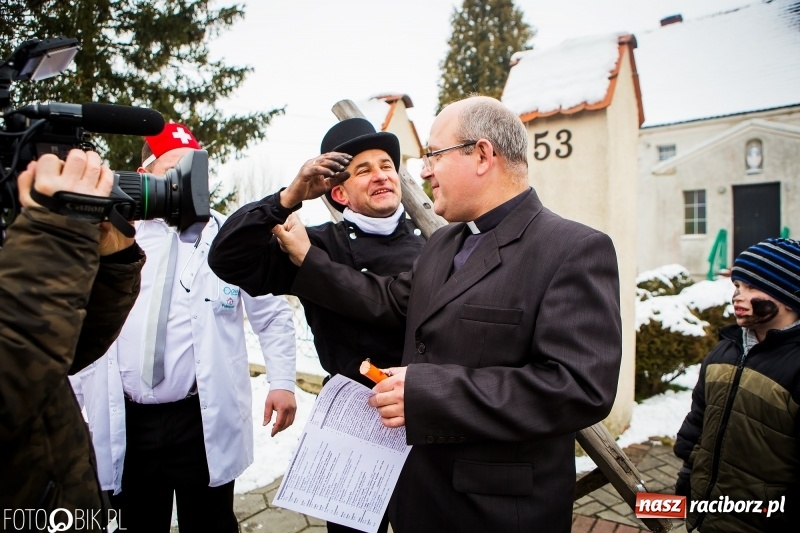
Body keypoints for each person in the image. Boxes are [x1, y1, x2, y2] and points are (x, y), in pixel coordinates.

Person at [216, 96, 623, 533]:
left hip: (496, 512)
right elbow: (383, 301)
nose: (422, 171)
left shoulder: (573, 249)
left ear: (482, 155)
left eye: (433, 155)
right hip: (422, 497)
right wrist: (290, 201)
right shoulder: (444, 245)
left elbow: (580, 387)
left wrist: (428, 392)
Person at [70, 123, 298, 533]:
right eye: (172, 170)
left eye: (192, 171)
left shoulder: (229, 236)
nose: (183, 183)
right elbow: (76, 321)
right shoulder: (111, 236)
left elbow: (272, 314)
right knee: (135, 523)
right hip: (127, 420)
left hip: (199, 419)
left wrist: (281, 381)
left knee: (209, 523)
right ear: (144, 177)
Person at [208, 118, 425, 532]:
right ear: (339, 193)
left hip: (420, 413)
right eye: (364, 170)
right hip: (351, 419)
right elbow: (226, 259)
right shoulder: (318, 240)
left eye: (386, 165)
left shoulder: (435, 243)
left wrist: (311, 262)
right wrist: (288, 198)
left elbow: (397, 303)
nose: (381, 175)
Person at [1, 150, 145, 526]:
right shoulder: (47, 238)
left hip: (61, 494)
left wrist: (112, 264)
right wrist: (55, 236)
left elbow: (60, 352)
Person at [674, 237, 800, 532]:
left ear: (788, 296)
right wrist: (687, 476)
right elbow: (699, 420)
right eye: (737, 287)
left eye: (752, 288)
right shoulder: (722, 353)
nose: (737, 297)